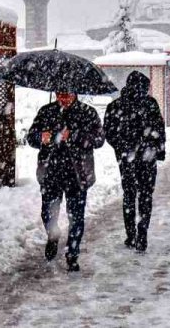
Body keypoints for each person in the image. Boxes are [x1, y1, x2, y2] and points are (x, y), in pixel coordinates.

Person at [27, 90, 105, 272]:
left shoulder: (87, 112)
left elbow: (99, 139)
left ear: (75, 94)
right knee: (47, 213)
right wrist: (41, 137)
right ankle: (52, 235)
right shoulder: (46, 111)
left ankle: (72, 254)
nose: (63, 99)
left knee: (76, 216)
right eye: (59, 95)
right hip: (50, 172)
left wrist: (74, 135)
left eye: (67, 95)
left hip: (77, 174)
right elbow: (31, 137)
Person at [103, 71, 166, 253]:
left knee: (129, 196)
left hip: (127, 159)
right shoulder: (150, 104)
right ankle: (142, 233)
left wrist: (121, 149)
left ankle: (131, 234)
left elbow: (109, 131)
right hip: (147, 158)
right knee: (145, 195)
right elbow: (159, 130)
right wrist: (158, 151)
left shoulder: (116, 106)